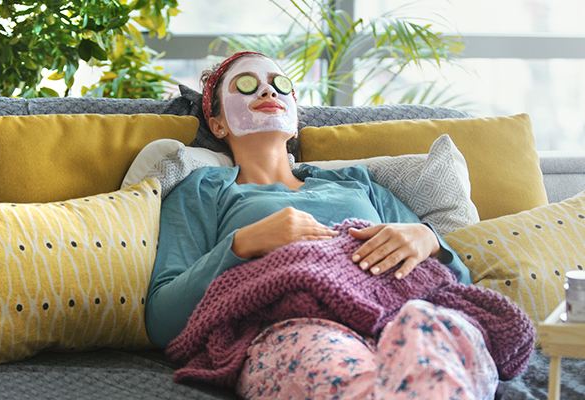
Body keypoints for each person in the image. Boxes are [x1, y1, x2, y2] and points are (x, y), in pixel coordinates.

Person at [145, 51, 500, 399]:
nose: (268, 92)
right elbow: (163, 320)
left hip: (399, 313)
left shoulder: (358, 183)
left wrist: (430, 241)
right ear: (218, 122)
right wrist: (242, 244)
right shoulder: (205, 189)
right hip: (296, 329)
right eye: (247, 84)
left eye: (280, 85)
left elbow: (456, 286)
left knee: (434, 326)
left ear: (296, 117)